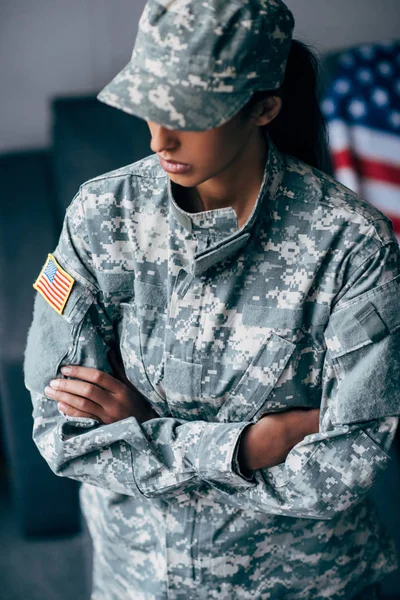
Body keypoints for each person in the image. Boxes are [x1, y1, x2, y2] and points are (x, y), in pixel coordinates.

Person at [23, 1, 400, 598]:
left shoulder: (353, 246)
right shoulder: (101, 216)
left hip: (305, 583)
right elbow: (61, 433)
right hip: (139, 579)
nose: (158, 136)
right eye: (151, 103)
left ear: (264, 109)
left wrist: (144, 431)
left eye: (190, 113)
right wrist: (252, 446)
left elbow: (347, 466)